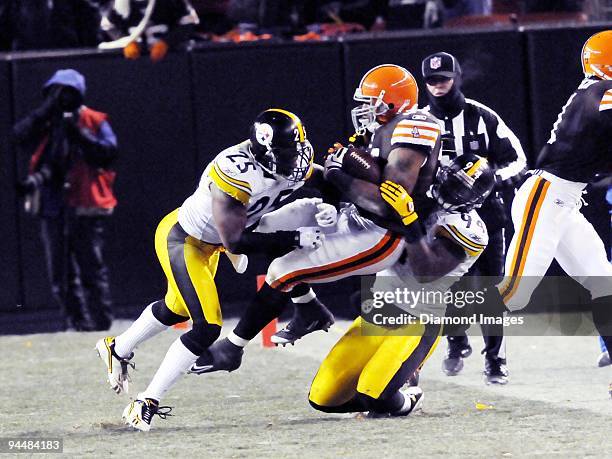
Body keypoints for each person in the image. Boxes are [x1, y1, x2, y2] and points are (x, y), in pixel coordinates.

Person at [190, 63, 443, 374]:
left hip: (382, 233)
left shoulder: (413, 128)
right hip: (354, 213)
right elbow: (361, 176)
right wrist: (335, 199)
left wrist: (339, 175)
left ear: (394, 101)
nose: (364, 109)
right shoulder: (381, 127)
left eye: (371, 102)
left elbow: (388, 204)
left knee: (282, 271)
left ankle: (233, 348)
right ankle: (309, 309)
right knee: (264, 226)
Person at [95, 109, 336, 431]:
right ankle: (147, 401)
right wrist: (294, 238)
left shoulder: (287, 162)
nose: (296, 160)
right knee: (207, 326)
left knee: (176, 307)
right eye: (286, 154)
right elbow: (235, 241)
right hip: (185, 241)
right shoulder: (235, 171)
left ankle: (118, 347)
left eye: (297, 149)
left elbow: (324, 180)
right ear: (265, 152)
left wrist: (333, 205)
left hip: (212, 243)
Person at [310, 153, 495, 416]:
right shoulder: (420, 192)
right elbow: (376, 203)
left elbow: (425, 271)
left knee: (375, 394)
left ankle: (408, 397)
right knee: (323, 398)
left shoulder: (469, 229)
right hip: (380, 310)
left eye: (460, 188)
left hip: (419, 318)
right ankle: (400, 375)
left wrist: (408, 219)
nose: (450, 190)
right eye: (450, 181)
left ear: (475, 199)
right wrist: (339, 172)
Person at [483, 31, 612, 376]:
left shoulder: (594, 91)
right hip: (545, 197)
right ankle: (421, 317)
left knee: (603, 281)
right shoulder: (601, 92)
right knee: (514, 292)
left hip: (564, 200)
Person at [420, 52, 527, 384]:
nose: (439, 85)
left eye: (445, 78)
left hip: (488, 214)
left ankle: (496, 359)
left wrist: (487, 181)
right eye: (432, 80)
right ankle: (456, 341)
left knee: (490, 288)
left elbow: (517, 159)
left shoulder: (482, 117)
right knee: (448, 284)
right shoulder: (418, 121)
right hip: (441, 217)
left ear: (458, 77)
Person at [12, 69, 118, 331]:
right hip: (53, 205)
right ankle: (77, 323)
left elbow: (109, 151)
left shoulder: (93, 120)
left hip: (85, 205)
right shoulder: (47, 123)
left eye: (68, 92)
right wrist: (46, 110)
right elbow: (19, 136)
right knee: (60, 271)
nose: (64, 98)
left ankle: (101, 322)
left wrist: (80, 135)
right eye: (58, 92)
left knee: (91, 267)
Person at [101, 0, 199, 62]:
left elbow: (188, 23)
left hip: (171, 58)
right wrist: (126, 41)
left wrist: (167, 42)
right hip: (136, 61)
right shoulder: (120, 3)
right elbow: (108, 26)